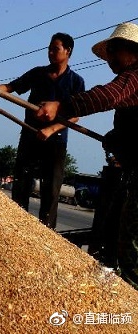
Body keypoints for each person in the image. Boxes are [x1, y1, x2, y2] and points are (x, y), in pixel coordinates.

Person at [36, 22, 138, 289]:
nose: (110, 60)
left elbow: (107, 96)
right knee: (119, 234)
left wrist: (62, 105)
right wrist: (117, 139)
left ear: (133, 51)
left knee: (133, 250)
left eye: (114, 51)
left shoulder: (136, 76)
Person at [0, 33, 85, 229]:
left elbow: (75, 116)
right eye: (49, 48)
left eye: (55, 49)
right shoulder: (38, 74)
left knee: (51, 189)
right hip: (30, 135)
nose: (50, 52)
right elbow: (11, 87)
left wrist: (51, 129)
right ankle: (15, 226)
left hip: (55, 141)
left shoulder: (75, 82)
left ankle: (46, 232)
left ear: (68, 51)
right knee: (21, 184)